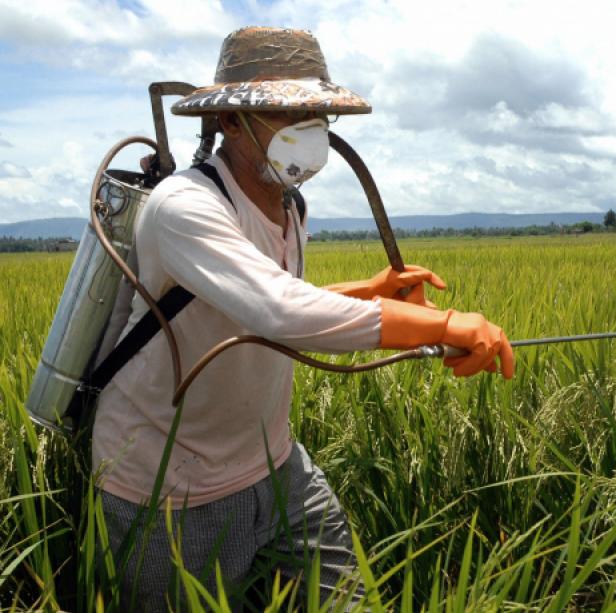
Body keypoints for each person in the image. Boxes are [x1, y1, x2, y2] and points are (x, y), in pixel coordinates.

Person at [92, 26, 514, 611]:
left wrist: (369, 290)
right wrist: (441, 327)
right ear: (231, 122)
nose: (309, 125)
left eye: (316, 110)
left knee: (347, 600)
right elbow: (279, 309)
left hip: (274, 461)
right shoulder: (183, 206)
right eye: (285, 111)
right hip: (168, 487)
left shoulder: (289, 203)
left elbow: (264, 296)